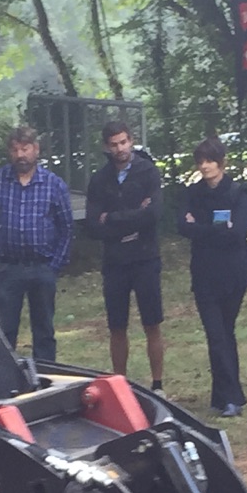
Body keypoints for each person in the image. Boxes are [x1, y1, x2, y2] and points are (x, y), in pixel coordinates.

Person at [0, 126, 73, 362]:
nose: (20, 155)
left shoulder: (53, 184)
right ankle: (6, 376)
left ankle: (45, 374)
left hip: (42, 267)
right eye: (15, 150)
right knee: (4, 330)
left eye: (25, 149)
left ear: (36, 150)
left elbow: (66, 228)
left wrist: (55, 266)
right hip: (7, 267)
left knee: (44, 330)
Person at [176, 137, 247, 417]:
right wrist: (216, 229)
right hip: (204, 274)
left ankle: (223, 395)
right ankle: (232, 397)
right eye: (200, 161)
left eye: (209, 160)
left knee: (225, 332)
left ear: (221, 162)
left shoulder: (238, 193)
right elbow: (182, 227)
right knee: (215, 334)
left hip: (234, 273)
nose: (204, 166)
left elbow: (238, 233)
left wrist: (201, 228)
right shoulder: (192, 193)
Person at [86, 120, 165, 393]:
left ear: (131, 140)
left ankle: (157, 384)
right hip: (115, 261)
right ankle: (121, 386)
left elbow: (153, 214)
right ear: (106, 147)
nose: (120, 148)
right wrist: (133, 218)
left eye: (123, 142)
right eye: (114, 144)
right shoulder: (99, 179)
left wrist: (112, 218)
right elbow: (93, 225)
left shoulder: (148, 172)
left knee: (152, 323)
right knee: (117, 326)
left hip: (145, 257)